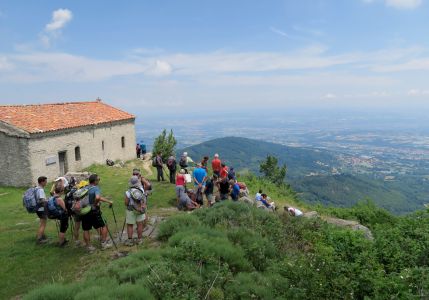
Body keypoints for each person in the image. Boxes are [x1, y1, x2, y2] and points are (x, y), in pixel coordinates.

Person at [81, 174, 113, 252]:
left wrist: (108, 201)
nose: (99, 181)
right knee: (103, 226)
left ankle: (88, 246)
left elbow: (98, 197)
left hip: (84, 210)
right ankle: (104, 244)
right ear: (95, 181)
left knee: (86, 229)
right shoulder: (96, 188)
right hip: (93, 211)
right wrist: (95, 204)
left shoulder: (86, 187)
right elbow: (97, 197)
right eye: (98, 179)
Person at [124, 176, 146, 246]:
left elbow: (126, 203)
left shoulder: (128, 192)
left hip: (131, 210)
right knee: (140, 224)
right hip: (140, 209)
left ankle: (130, 241)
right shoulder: (141, 189)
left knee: (130, 225)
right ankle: (140, 239)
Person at [35, 176, 48, 244]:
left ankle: (42, 235)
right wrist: (47, 201)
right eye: (45, 181)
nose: (46, 183)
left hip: (38, 209)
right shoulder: (40, 190)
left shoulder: (36, 188)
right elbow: (42, 200)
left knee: (41, 223)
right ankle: (39, 239)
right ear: (42, 182)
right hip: (41, 209)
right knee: (43, 224)